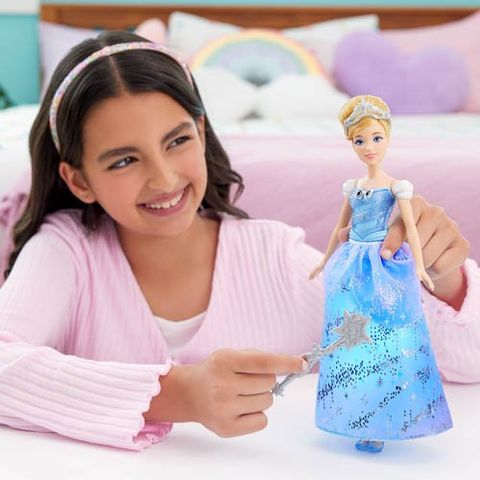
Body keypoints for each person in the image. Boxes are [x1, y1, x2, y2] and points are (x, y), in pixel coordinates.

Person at [0, 31, 478, 451]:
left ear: (201, 131)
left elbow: (459, 359)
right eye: (124, 161)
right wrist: (178, 394)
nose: (164, 179)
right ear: (80, 180)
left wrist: (446, 280)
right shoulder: (66, 252)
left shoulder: (273, 257)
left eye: (177, 141)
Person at [310, 95, 452, 453]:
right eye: (360, 141)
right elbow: (338, 229)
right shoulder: (352, 187)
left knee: (387, 338)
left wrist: (418, 265)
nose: (369, 147)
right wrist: (324, 261)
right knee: (353, 340)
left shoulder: (395, 186)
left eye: (376, 138)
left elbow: (410, 228)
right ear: (351, 144)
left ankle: (388, 417)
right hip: (351, 263)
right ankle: (359, 417)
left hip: (382, 263)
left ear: (387, 138)